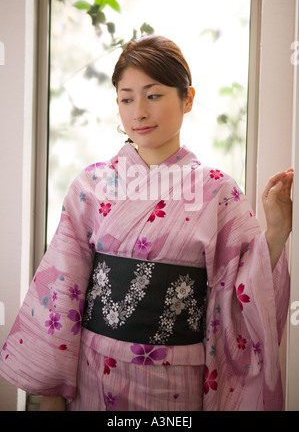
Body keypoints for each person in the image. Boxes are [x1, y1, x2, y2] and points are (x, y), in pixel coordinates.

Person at [0, 35, 293, 411]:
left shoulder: (218, 191)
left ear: (187, 98)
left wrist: (277, 231)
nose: (138, 111)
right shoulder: (91, 185)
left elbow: (244, 291)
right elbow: (61, 290)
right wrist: (52, 396)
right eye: (126, 98)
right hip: (95, 370)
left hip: (175, 381)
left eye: (153, 95)